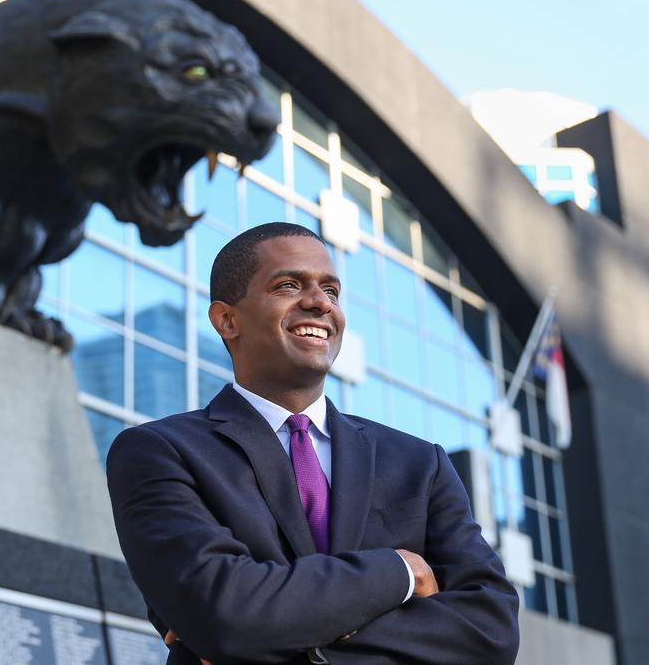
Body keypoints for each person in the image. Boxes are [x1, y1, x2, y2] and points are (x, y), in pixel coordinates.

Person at [106, 223, 519, 664]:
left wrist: (283, 641)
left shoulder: (420, 463)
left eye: (331, 290)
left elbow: (490, 630)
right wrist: (398, 571)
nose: (320, 303)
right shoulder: (158, 452)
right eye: (288, 285)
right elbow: (224, 616)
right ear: (227, 320)